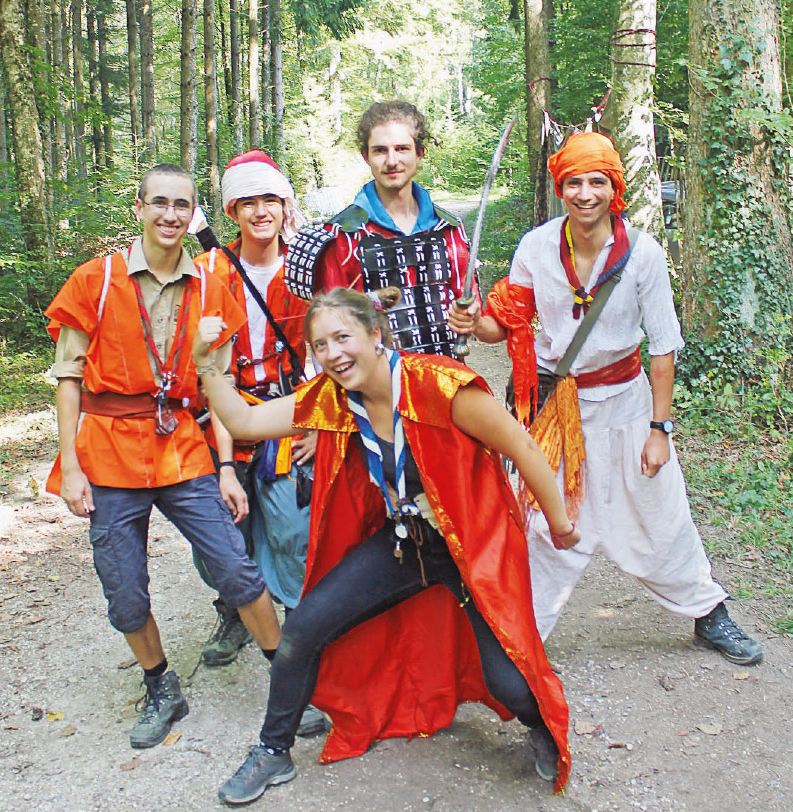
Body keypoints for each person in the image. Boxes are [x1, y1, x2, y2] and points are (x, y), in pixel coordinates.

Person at [192, 288, 581, 805]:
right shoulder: (332, 396)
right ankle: (272, 748)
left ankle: (539, 724)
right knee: (303, 628)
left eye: (342, 337)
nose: (332, 353)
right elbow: (244, 423)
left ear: (376, 335)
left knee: (510, 685)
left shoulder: (441, 387)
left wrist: (559, 522)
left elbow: (522, 446)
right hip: (402, 544)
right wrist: (208, 370)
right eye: (320, 344)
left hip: (464, 551)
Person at [448, 132, 764, 667]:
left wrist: (660, 431)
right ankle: (519, 634)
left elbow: (663, 349)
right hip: (554, 408)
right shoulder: (537, 247)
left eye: (597, 181)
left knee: (658, 512)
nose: (585, 193)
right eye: (574, 182)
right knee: (545, 521)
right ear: (560, 189)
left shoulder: (643, 255)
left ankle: (708, 612)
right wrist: (470, 319)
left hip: (626, 404)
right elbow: (504, 324)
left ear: (614, 189)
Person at [44, 163, 283, 750]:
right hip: (107, 452)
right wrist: (69, 464)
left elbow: (219, 386)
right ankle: (160, 685)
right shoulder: (94, 281)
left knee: (236, 567)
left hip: (181, 444)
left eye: (182, 205)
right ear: (140, 208)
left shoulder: (211, 284)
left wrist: (226, 466)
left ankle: (289, 678)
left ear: (194, 211)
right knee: (123, 588)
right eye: (160, 203)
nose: (171, 215)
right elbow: (68, 377)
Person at [190, 150, 313, 667]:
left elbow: (330, 350)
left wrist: (317, 423)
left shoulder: (308, 265)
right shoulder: (206, 269)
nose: (261, 211)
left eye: (271, 200)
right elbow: (199, 364)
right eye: (248, 202)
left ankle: (300, 624)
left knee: (291, 526)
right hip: (220, 412)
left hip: (288, 410)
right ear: (231, 212)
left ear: (286, 206)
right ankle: (234, 610)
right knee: (221, 530)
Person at [284, 99, 475, 358]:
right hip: (373, 388)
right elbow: (329, 335)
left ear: (419, 153)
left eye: (402, 148)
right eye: (380, 150)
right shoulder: (344, 239)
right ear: (367, 156)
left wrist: (470, 318)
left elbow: (477, 319)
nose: (392, 160)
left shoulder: (449, 231)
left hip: (447, 379)